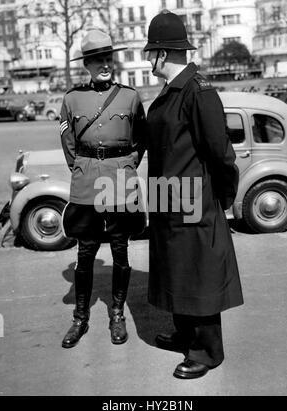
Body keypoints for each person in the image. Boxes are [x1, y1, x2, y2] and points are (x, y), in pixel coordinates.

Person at [144, 11, 244, 379]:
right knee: (177, 272)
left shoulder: (198, 92)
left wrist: (220, 200)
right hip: (168, 203)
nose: (147, 60)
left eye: (149, 53)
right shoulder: (171, 93)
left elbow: (221, 154)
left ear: (160, 53)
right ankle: (185, 335)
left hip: (195, 205)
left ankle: (207, 351)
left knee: (198, 274)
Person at [60, 29, 146, 348]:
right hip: (86, 183)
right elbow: (69, 144)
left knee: (120, 249)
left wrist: (125, 165)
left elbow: (140, 139)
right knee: (86, 252)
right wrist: (84, 168)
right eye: (98, 60)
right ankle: (80, 319)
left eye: (108, 59)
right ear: (87, 65)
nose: (105, 65)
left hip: (120, 181)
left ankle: (117, 315)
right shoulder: (72, 99)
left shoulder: (130, 97)